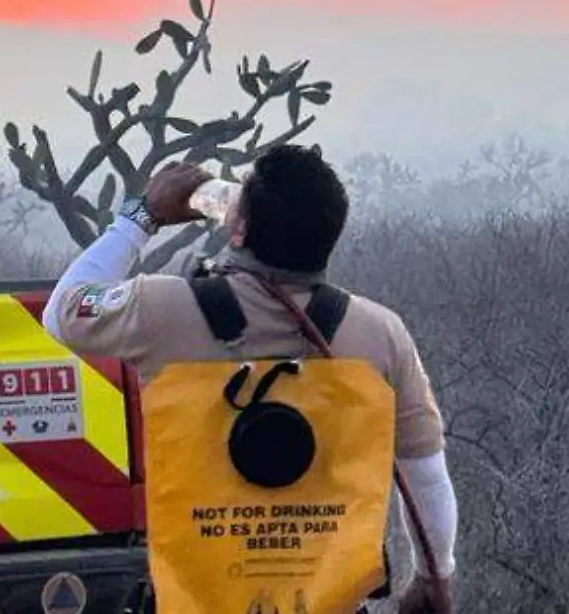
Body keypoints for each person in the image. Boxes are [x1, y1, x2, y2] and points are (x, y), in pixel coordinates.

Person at [42, 146, 457, 614]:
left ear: (238, 228)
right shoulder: (380, 333)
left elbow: (64, 310)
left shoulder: (163, 310)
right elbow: (425, 477)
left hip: (194, 599)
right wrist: (433, 576)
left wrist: (141, 217)